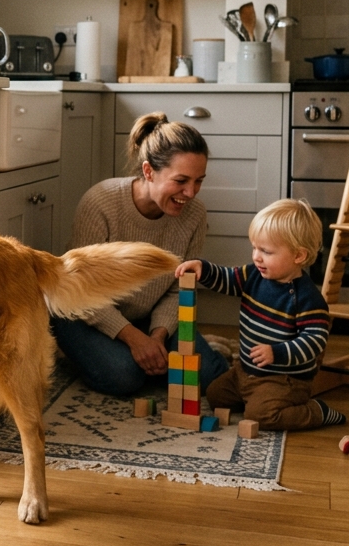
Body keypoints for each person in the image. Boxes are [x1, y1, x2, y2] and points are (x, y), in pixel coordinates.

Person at [53, 112, 229, 396]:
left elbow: (177, 291)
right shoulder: (101, 203)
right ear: (148, 171)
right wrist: (135, 340)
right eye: (181, 180)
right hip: (80, 312)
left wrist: (157, 337)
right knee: (125, 377)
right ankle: (77, 355)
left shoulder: (195, 215)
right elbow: (82, 291)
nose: (192, 192)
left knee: (211, 375)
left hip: (144, 316)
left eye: (199, 181)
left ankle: (138, 355)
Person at [175, 198, 344, 431]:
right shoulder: (254, 274)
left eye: (265, 251)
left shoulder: (306, 298)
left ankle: (317, 411)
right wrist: (204, 270)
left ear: (299, 256)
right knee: (214, 395)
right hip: (244, 371)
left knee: (262, 416)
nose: (256, 256)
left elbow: (314, 342)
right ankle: (251, 396)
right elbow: (228, 278)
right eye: (255, 247)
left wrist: (276, 353)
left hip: (283, 379)